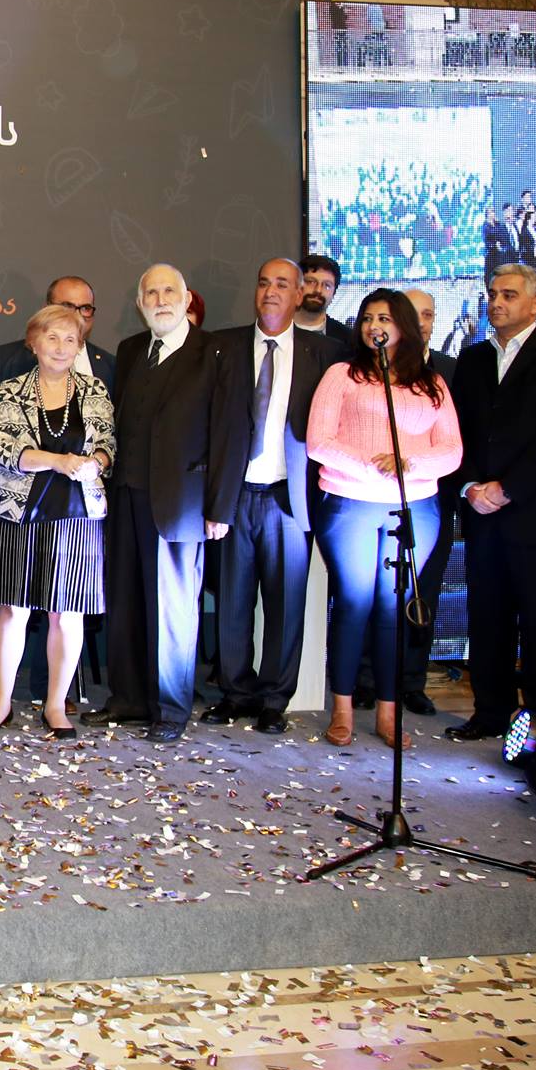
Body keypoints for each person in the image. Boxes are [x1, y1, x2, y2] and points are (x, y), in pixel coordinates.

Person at [305, 290, 463, 749]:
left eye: (386, 319)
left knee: (395, 608)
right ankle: (342, 710)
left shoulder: (431, 383)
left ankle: (389, 714)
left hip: (415, 507)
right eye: (368, 318)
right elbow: (318, 442)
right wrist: (376, 467)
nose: (375, 326)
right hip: (350, 503)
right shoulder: (341, 375)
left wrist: (409, 465)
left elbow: (452, 450)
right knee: (353, 605)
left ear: (404, 326)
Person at [446, 264, 536, 741]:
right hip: (482, 513)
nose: (496, 302)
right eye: (492, 293)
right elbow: (456, 432)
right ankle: (490, 713)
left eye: (508, 294)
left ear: (535, 304)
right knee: (487, 620)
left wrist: (506, 489)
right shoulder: (472, 358)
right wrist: (471, 486)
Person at [200, 259, 343, 734]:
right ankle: (235, 693)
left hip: (290, 499)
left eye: (282, 284)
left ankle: (274, 700)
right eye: (263, 282)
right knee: (233, 604)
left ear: (300, 294)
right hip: (236, 496)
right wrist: (214, 501)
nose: (270, 291)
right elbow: (211, 428)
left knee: (285, 606)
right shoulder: (223, 346)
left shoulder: (326, 354)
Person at [83, 263, 221, 743]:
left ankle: (170, 709)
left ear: (186, 300)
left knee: (172, 611)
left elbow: (229, 432)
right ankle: (128, 699)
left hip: (181, 504)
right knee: (125, 601)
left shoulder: (213, 352)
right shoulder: (130, 349)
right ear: (140, 304)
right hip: (126, 496)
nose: (160, 300)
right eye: (151, 293)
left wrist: (220, 506)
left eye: (169, 292)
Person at [0, 274, 116, 715]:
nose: (60, 346)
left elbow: (108, 444)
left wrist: (96, 463)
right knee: (11, 611)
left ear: (79, 345)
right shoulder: (10, 389)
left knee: (66, 615)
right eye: (51, 337)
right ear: (33, 342)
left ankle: (55, 704)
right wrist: (57, 460)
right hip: (16, 513)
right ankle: (0, 701)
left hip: (75, 516)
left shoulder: (95, 390)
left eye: (70, 339)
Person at [397, 286, 460, 715]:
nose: (421, 322)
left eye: (429, 315)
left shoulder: (452, 371)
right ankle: (368, 678)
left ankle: (412, 681)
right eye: (413, 313)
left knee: (426, 591)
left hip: (435, 501)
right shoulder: (369, 371)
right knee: (376, 594)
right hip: (377, 497)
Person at [297, 254, 351, 347]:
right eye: (311, 282)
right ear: (297, 285)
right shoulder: (274, 329)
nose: (318, 290)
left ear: (334, 293)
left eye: (327, 285)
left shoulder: (348, 340)